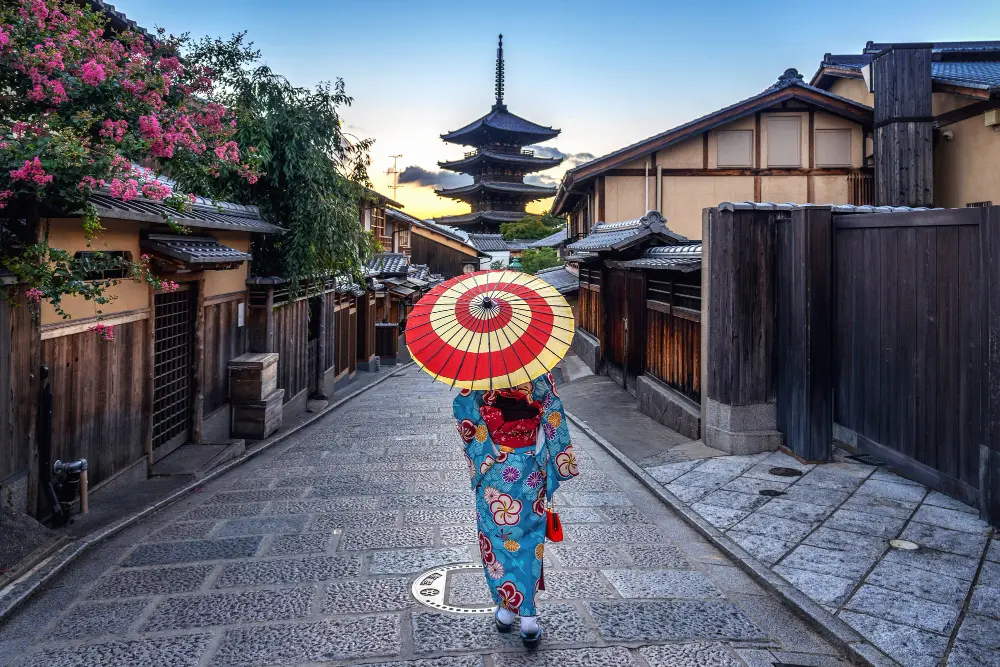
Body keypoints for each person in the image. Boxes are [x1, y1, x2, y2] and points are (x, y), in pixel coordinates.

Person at [453, 372, 580, 647]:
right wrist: (556, 460)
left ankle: (507, 609)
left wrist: (486, 449)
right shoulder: (539, 373)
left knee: (497, 539)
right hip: (529, 467)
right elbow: (553, 416)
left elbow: (463, 411)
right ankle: (528, 618)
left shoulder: (478, 375)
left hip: (494, 467)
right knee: (528, 539)